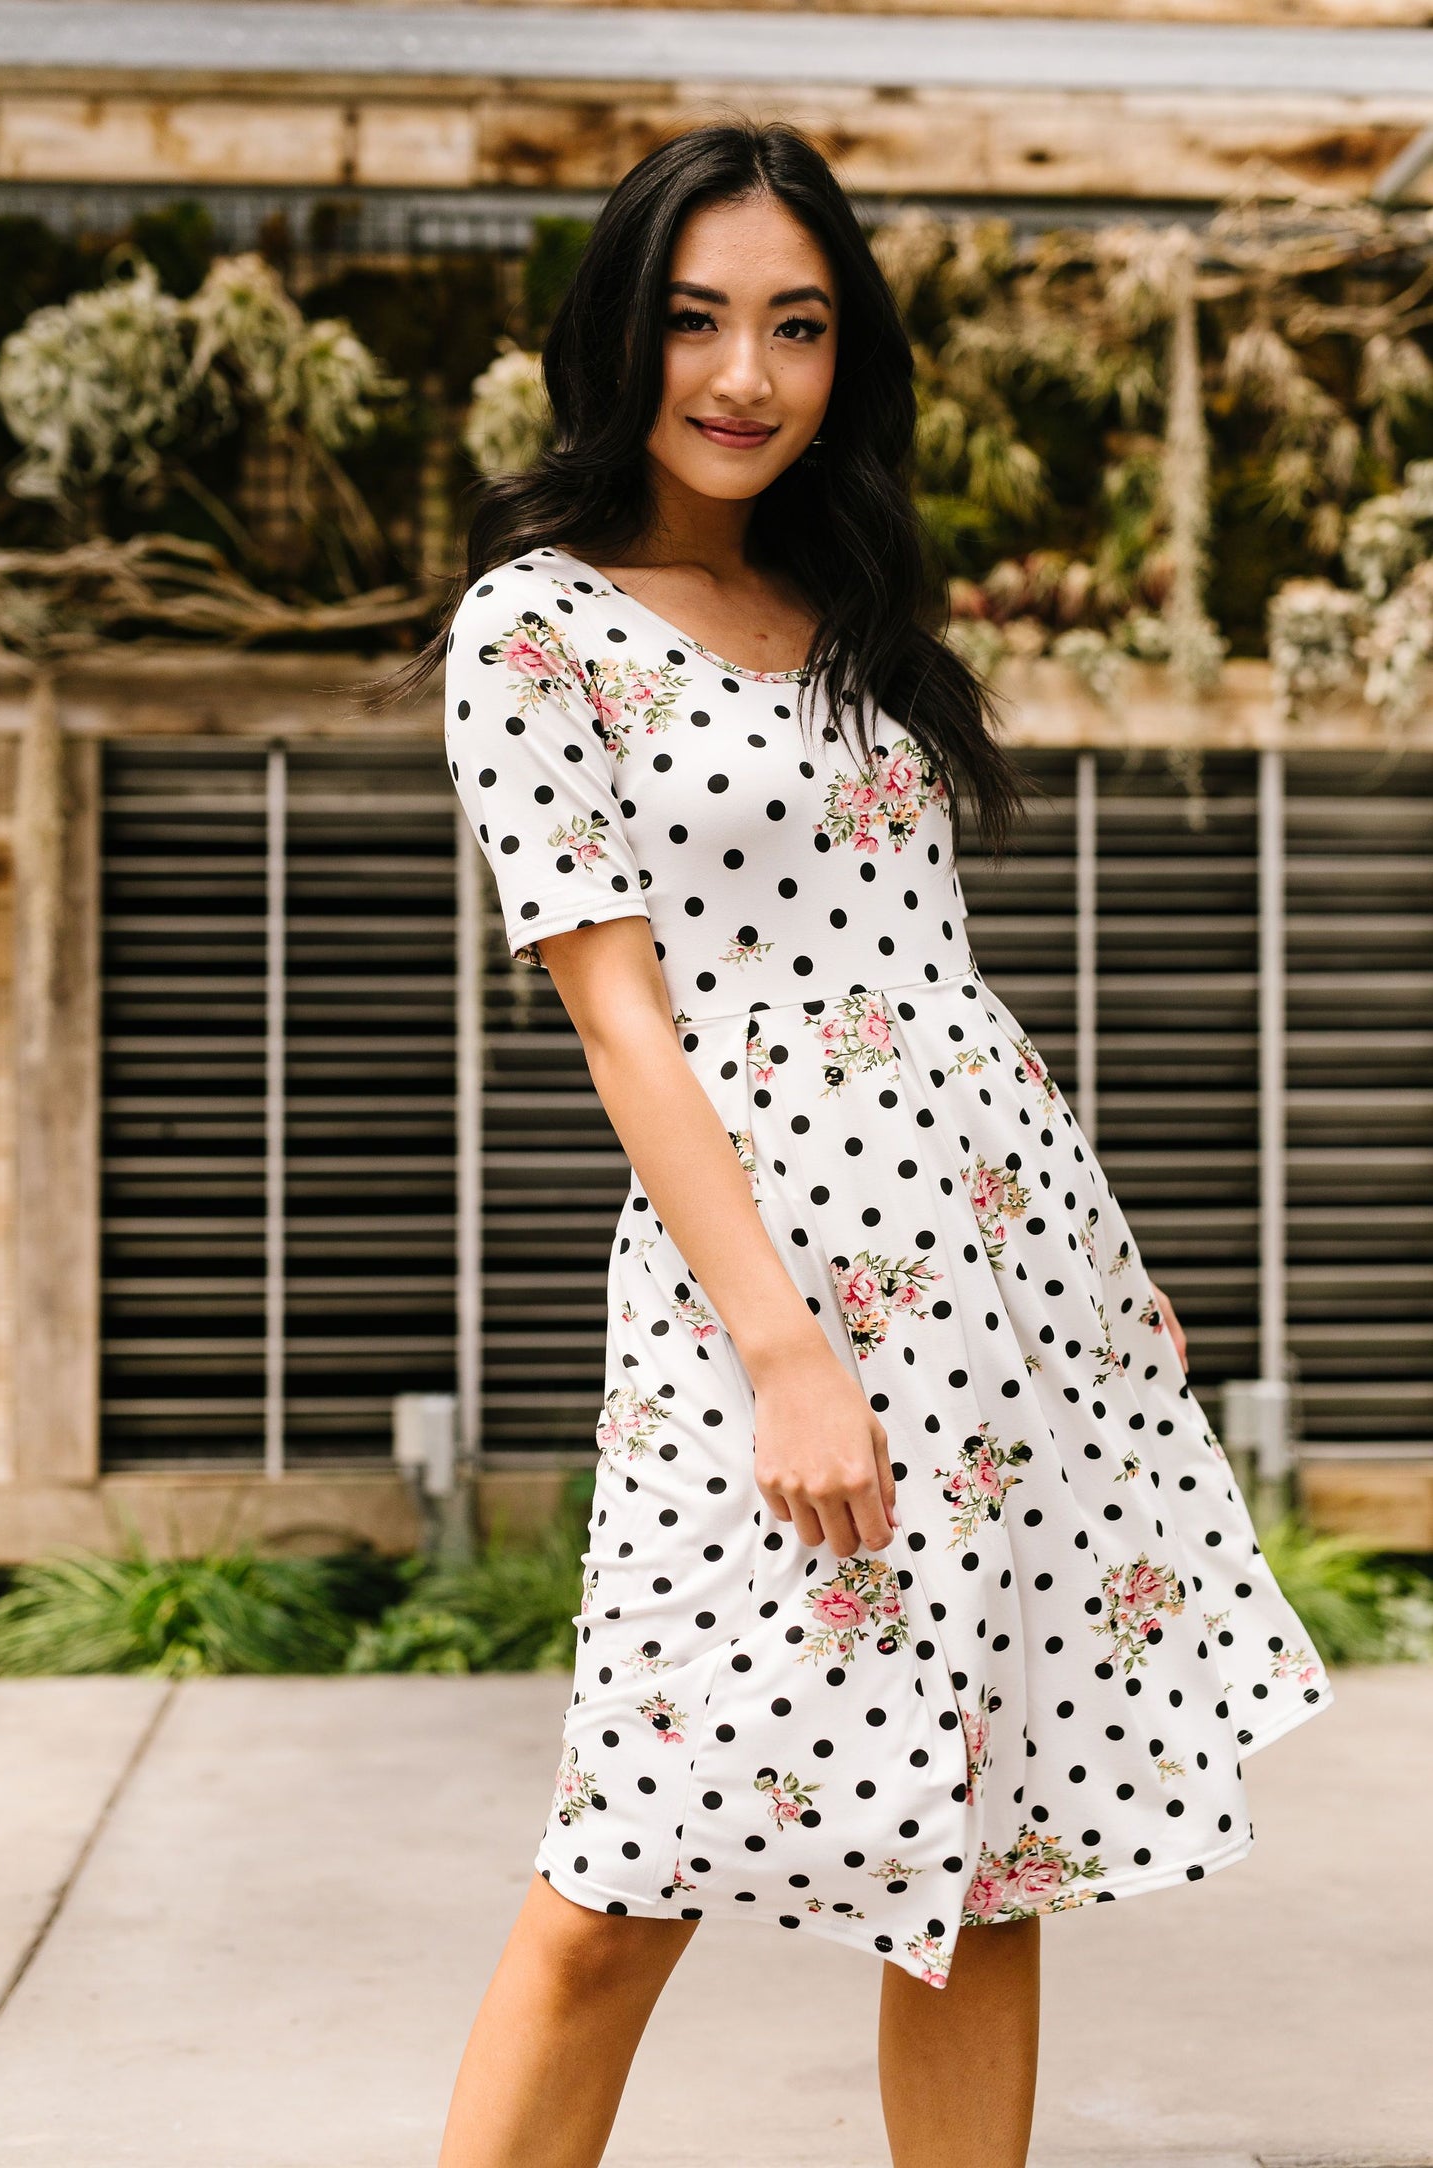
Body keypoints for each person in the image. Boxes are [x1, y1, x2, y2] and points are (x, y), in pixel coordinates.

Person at [433, 120, 1331, 2168]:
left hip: (1001, 1288)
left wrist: (1093, 1258)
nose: (745, 375)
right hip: (767, 1304)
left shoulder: (841, 612)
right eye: (696, 321)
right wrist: (778, 1345)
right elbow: (620, 1012)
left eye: (797, 326)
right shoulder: (538, 627)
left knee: (982, 1868)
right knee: (621, 1868)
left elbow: (928, 978)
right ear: (617, 335)